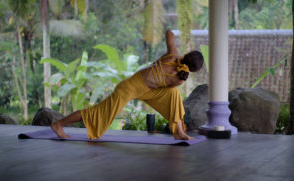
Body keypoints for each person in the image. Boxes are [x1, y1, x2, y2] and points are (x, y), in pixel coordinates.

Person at [51, 30, 204, 140]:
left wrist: (176, 44)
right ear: (193, 70)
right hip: (129, 89)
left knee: (173, 94)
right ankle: (59, 124)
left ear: (187, 55)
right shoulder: (179, 79)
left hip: (143, 89)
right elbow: (164, 84)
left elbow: (169, 33)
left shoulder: (172, 55)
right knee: (97, 112)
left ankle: (178, 132)